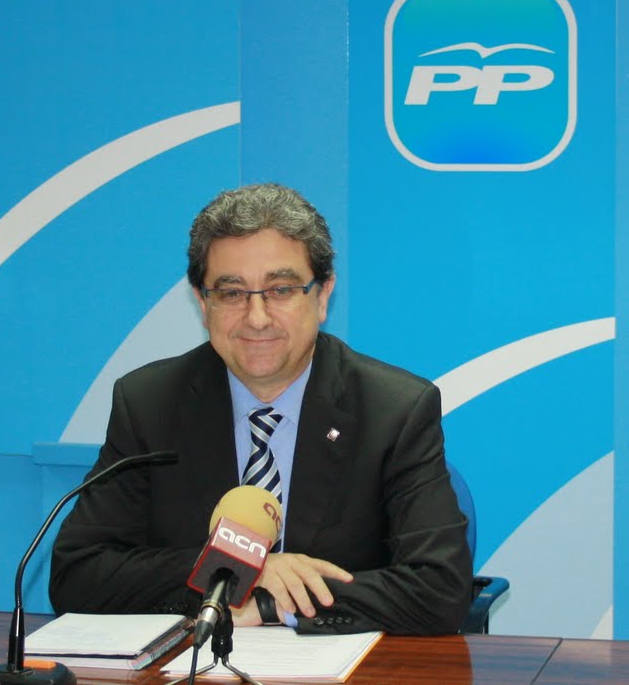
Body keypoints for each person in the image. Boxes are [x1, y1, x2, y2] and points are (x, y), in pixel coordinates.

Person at [49, 183, 472, 634]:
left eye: (281, 289)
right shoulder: (150, 403)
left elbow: (439, 589)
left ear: (322, 295)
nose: (256, 318)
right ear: (203, 303)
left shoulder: (393, 410)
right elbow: (77, 575)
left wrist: (270, 604)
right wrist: (237, 569)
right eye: (231, 293)